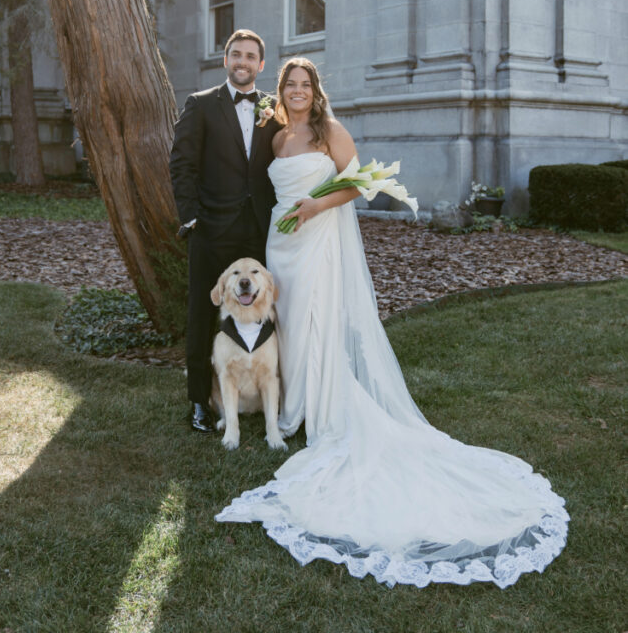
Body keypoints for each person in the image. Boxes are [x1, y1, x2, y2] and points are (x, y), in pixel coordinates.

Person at [216, 57, 569, 588]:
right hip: (280, 242)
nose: (296, 92)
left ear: (315, 90)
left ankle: (316, 407)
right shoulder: (276, 139)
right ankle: (290, 404)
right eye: (289, 85)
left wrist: (314, 206)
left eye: (304, 85)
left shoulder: (329, 129)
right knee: (285, 322)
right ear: (281, 91)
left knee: (316, 318)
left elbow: (358, 185)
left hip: (317, 237)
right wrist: (293, 211)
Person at [169, 30, 281, 432]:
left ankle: (267, 395)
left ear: (261, 64)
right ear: (225, 59)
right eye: (236, 55)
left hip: (259, 232)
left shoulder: (274, 107)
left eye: (251, 56)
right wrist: (193, 218)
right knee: (202, 314)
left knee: (266, 313)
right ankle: (200, 400)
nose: (242, 62)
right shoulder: (200, 105)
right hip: (211, 231)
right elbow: (181, 164)